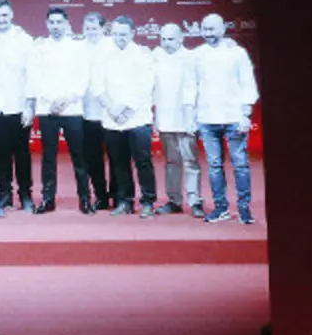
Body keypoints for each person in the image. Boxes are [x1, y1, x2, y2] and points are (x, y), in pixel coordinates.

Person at [192, 13, 260, 224]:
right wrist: (192, 117)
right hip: (206, 118)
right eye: (205, 29)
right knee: (214, 166)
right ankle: (221, 208)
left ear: (223, 29)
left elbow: (248, 83)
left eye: (212, 29)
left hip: (234, 117)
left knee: (240, 165)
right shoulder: (196, 55)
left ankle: (244, 208)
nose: (208, 33)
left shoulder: (237, 52)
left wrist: (246, 114)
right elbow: (191, 87)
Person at [29, 8, 91, 215]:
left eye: (59, 22)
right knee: (48, 156)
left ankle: (85, 199)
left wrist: (66, 99)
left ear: (66, 23)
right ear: (47, 24)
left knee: (79, 156)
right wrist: (51, 100)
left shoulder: (78, 48)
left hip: (72, 109)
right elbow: (35, 77)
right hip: (48, 109)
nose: (55, 26)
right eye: (52, 22)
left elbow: (83, 77)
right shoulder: (39, 48)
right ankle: (47, 200)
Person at [96, 16, 156, 218]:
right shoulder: (103, 56)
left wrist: (124, 110)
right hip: (112, 119)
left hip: (138, 118)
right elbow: (97, 86)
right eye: (115, 34)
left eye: (123, 34)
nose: (119, 38)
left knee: (143, 162)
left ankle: (148, 201)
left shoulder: (143, 55)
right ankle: (125, 201)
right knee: (118, 163)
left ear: (132, 33)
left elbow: (145, 87)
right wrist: (112, 109)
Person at [0, 0, 34, 212]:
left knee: (22, 154)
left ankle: (26, 195)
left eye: (4, 15)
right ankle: (5, 194)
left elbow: (32, 74)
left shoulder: (24, 40)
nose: (1, 19)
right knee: (1, 154)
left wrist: (30, 105)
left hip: (19, 105)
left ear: (11, 15)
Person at [151, 24, 203, 218]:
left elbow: (192, 88)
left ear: (181, 38)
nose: (166, 43)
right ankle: (174, 201)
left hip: (186, 118)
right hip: (165, 119)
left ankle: (195, 201)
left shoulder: (191, 58)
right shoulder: (155, 57)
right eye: (163, 39)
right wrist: (154, 116)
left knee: (190, 161)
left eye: (171, 39)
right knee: (172, 162)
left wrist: (191, 117)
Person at [81, 12, 115, 210]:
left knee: (116, 157)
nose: (91, 32)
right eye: (87, 28)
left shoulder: (113, 46)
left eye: (94, 28)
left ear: (103, 28)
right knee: (93, 158)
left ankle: (118, 196)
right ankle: (101, 196)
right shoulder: (78, 48)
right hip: (88, 113)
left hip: (111, 112)